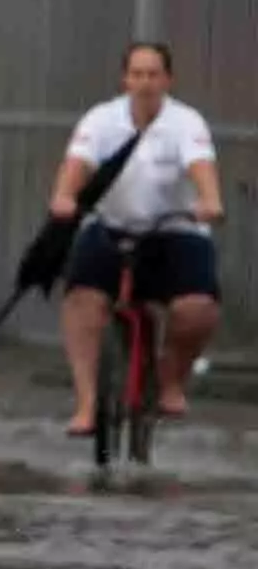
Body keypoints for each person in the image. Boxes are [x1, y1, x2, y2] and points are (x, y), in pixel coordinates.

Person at [53, 41, 225, 435]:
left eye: (153, 75)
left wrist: (209, 201)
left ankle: (171, 380)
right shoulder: (101, 120)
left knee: (197, 309)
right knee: (82, 299)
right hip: (111, 225)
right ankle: (87, 404)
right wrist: (64, 197)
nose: (144, 83)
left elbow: (201, 167)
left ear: (168, 80)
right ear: (124, 79)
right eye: (137, 74)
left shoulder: (186, 123)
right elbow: (77, 164)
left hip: (173, 230)